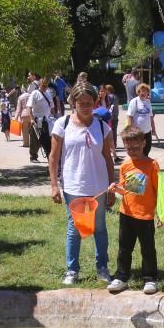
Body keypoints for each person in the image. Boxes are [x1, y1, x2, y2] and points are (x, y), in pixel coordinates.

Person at [50, 83, 115, 285]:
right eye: (81, 103)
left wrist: (112, 186)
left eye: (89, 103)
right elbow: (53, 157)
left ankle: (102, 267)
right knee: (74, 227)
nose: (86, 107)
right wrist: (54, 185)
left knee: (100, 227)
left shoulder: (103, 127)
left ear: (95, 103)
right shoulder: (62, 124)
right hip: (73, 185)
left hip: (99, 185)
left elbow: (108, 158)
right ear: (74, 103)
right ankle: (72, 270)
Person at [106, 125, 161, 294]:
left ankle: (150, 278)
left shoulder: (152, 165)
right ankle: (121, 277)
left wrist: (160, 213)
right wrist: (117, 189)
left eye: (136, 147)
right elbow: (129, 190)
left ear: (144, 143)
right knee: (124, 247)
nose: (132, 151)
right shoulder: (125, 166)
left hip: (145, 216)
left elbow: (159, 191)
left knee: (147, 248)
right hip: (126, 213)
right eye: (128, 148)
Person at [28, 74, 53, 162]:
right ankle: (33, 156)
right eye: (43, 86)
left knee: (46, 138)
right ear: (39, 85)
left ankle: (49, 155)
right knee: (35, 139)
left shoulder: (48, 93)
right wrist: (31, 118)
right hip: (36, 118)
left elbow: (51, 106)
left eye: (46, 86)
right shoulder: (35, 93)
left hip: (46, 119)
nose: (45, 87)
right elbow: (29, 107)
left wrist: (53, 116)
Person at [126, 83, 156, 156]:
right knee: (138, 151)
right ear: (138, 92)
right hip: (138, 132)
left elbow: (151, 116)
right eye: (141, 91)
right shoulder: (134, 101)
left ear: (147, 92)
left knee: (147, 150)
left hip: (147, 131)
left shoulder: (148, 102)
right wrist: (130, 130)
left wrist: (153, 128)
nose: (143, 92)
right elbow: (129, 116)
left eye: (145, 91)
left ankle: (144, 165)